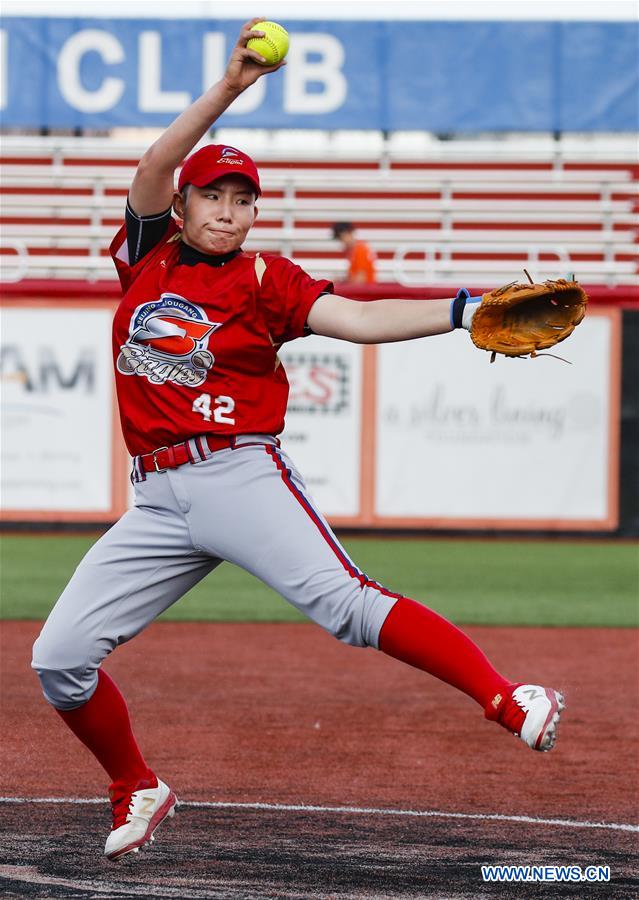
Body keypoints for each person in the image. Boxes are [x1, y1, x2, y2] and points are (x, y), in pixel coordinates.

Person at [31, 19, 564, 863]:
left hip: (237, 475)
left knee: (347, 606)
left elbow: (355, 317)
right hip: (158, 498)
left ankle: (505, 697)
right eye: (214, 195)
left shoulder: (265, 278)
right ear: (184, 203)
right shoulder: (146, 255)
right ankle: (137, 784)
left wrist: (461, 312)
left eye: (244, 199)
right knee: (58, 659)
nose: (230, 211)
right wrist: (232, 87)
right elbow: (152, 165)